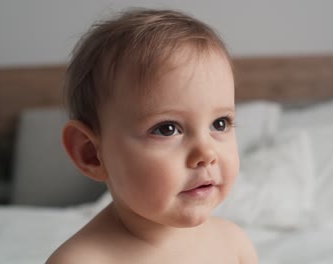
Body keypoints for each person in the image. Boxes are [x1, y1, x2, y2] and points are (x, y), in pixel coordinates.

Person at [46, 8, 258, 264]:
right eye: (167, 129)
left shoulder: (233, 244)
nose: (206, 153)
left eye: (220, 123)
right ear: (91, 153)